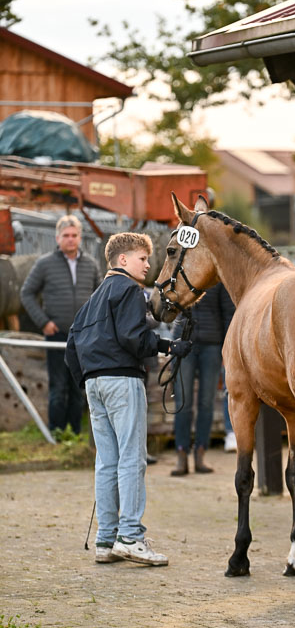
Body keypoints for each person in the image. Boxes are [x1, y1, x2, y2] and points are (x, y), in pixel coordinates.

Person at [65, 232, 191, 566]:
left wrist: (88, 380)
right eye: (143, 259)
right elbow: (133, 337)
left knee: (106, 461)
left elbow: (71, 347)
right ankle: (130, 537)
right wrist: (168, 347)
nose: (148, 265)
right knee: (132, 459)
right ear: (123, 260)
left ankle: (105, 539)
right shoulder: (129, 291)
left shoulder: (94, 297)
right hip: (122, 379)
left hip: (96, 385)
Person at [21, 214, 101, 436]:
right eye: (66, 235)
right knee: (58, 387)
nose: (70, 239)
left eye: (75, 235)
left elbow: (100, 297)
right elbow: (26, 293)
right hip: (56, 335)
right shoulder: (45, 264)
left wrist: (93, 325)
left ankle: (75, 434)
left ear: (80, 237)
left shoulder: (91, 264)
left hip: (83, 338)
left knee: (78, 388)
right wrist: (43, 322)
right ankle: (56, 434)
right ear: (58, 238)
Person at [170, 282, 235, 476]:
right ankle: (181, 454)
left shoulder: (217, 279)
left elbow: (228, 314)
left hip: (212, 346)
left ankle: (200, 453)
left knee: (206, 403)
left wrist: (226, 350)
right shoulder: (181, 273)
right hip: (183, 343)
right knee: (182, 402)